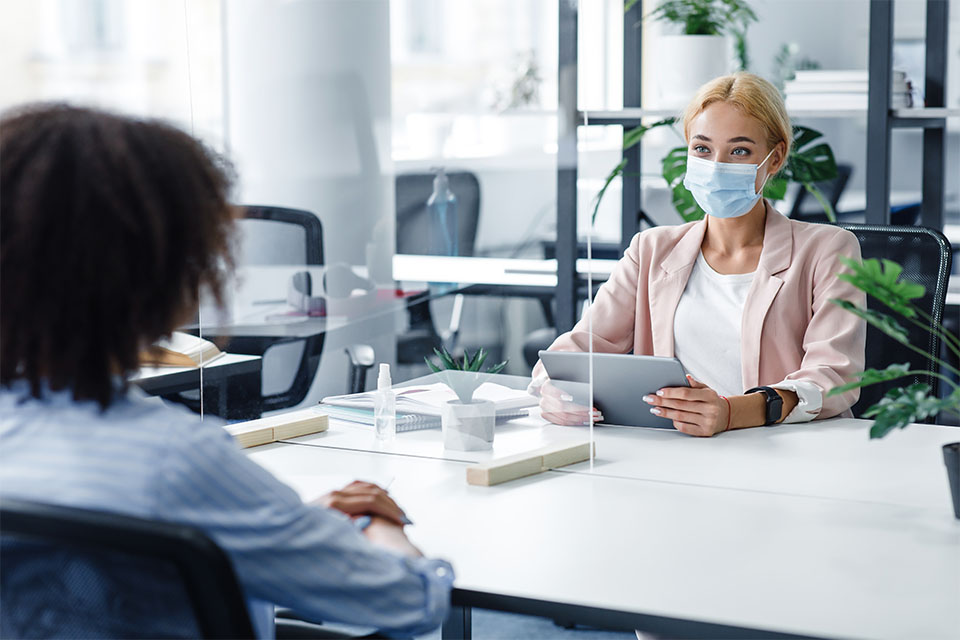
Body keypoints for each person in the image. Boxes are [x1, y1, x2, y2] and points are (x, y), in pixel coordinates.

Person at [0, 104, 453, 638]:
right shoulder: (175, 461)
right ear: (164, 276)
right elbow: (410, 602)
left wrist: (282, 524)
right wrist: (377, 523)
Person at [531, 72, 866, 436]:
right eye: (702, 149)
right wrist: (553, 391)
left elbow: (833, 375)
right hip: (676, 450)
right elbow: (576, 350)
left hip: (785, 451)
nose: (717, 165)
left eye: (739, 151)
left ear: (775, 158)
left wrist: (732, 412)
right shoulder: (651, 250)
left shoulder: (828, 249)